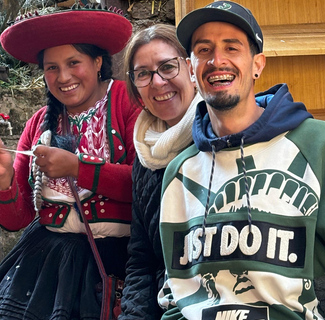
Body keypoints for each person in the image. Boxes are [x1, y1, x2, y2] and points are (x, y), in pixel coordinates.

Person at [158, 1, 325, 320]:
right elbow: (178, 289)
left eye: (232, 47)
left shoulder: (315, 143)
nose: (217, 60)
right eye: (204, 50)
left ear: (258, 64)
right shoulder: (180, 173)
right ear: (191, 69)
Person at [0, 6, 140, 319]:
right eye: (51, 68)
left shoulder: (127, 102)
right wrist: (4, 179)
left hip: (116, 258)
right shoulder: (38, 125)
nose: (63, 77)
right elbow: (15, 219)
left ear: (98, 61)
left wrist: (78, 169)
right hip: (45, 259)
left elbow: (144, 186)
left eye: (74, 63)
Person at [118, 24, 202, 320]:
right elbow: (142, 259)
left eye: (167, 67)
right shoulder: (145, 157)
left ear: (190, 68)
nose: (157, 82)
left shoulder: (220, 135)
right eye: (143, 74)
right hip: (169, 302)